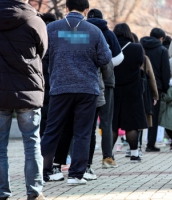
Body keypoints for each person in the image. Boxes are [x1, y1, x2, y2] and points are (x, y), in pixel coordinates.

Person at [40, 0, 112, 186]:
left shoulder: (53, 28)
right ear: (86, 10)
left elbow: (44, 54)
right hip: (87, 89)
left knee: (52, 130)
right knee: (82, 132)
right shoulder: (94, 31)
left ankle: (45, 171)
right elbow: (105, 58)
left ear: (66, 8)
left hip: (60, 87)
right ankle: (76, 175)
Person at [0, 0, 48, 199]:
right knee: (32, 143)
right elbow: (42, 51)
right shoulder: (35, 21)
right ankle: (34, 192)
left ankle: (1, 192)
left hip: (0, 91)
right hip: (28, 90)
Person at [87, 8, 124, 169]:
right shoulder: (108, 34)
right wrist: (105, 66)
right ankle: (107, 157)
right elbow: (119, 57)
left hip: (87, 81)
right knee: (106, 121)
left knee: (87, 122)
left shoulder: (82, 32)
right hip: (107, 81)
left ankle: (85, 161)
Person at [112, 23, 148, 162]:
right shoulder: (137, 48)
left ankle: (108, 155)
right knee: (131, 123)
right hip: (132, 90)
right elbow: (140, 63)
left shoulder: (110, 46)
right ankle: (134, 154)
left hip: (114, 88)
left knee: (113, 123)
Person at [140, 28, 171, 152]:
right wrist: (165, 87)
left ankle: (136, 146)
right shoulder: (162, 50)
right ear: (161, 38)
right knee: (153, 115)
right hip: (155, 87)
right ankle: (150, 144)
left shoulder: (140, 46)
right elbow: (165, 71)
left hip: (139, 84)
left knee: (139, 114)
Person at [39, 13, 57, 138]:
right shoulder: (60, 37)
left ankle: (42, 152)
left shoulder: (37, 37)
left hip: (39, 88)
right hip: (57, 88)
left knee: (41, 121)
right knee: (56, 121)